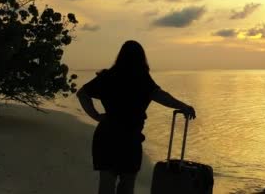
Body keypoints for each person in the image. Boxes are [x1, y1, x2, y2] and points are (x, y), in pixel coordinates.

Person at [77, 40, 195, 194]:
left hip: (106, 136)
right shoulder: (142, 79)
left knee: (106, 185)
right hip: (130, 138)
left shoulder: (107, 77)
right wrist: (183, 106)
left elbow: (82, 94)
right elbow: (162, 97)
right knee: (127, 185)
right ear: (141, 58)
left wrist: (96, 116)